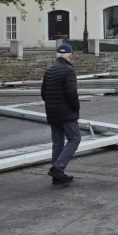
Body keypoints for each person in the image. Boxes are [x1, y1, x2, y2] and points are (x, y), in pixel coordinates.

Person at [41, 43, 81, 185]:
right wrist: (76, 107)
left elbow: (43, 93)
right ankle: (58, 168)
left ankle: (56, 176)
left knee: (57, 143)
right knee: (75, 138)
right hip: (66, 113)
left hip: (52, 113)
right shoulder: (69, 71)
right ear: (70, 56)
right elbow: (71, 93)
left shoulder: (49, 70)